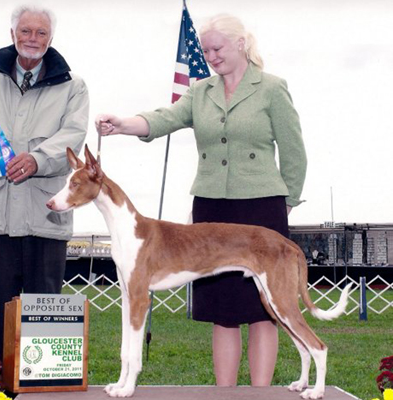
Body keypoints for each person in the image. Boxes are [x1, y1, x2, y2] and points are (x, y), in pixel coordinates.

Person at [95, 14, 306, 387]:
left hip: (261, 207)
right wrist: (123, 124)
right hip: (212, 208)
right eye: (206, 50)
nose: (210, 56)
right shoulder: (200, 92)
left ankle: (261, 394)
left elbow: (294, 152)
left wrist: (286, 202)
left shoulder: (272, 88)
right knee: (223, 312)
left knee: (264, 311)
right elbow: (166, 118)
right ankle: (225, 393)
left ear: (241, 43)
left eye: (217, 48)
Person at [0, 5, 89, 361]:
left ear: (51, 38)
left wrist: (38, 159)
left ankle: (44, 387)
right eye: (25, 31)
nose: (32, 39)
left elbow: (73, 136)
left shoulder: (74, 87)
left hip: (46, 217)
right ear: (12, 34)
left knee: (46, 318)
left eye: (41, 32)